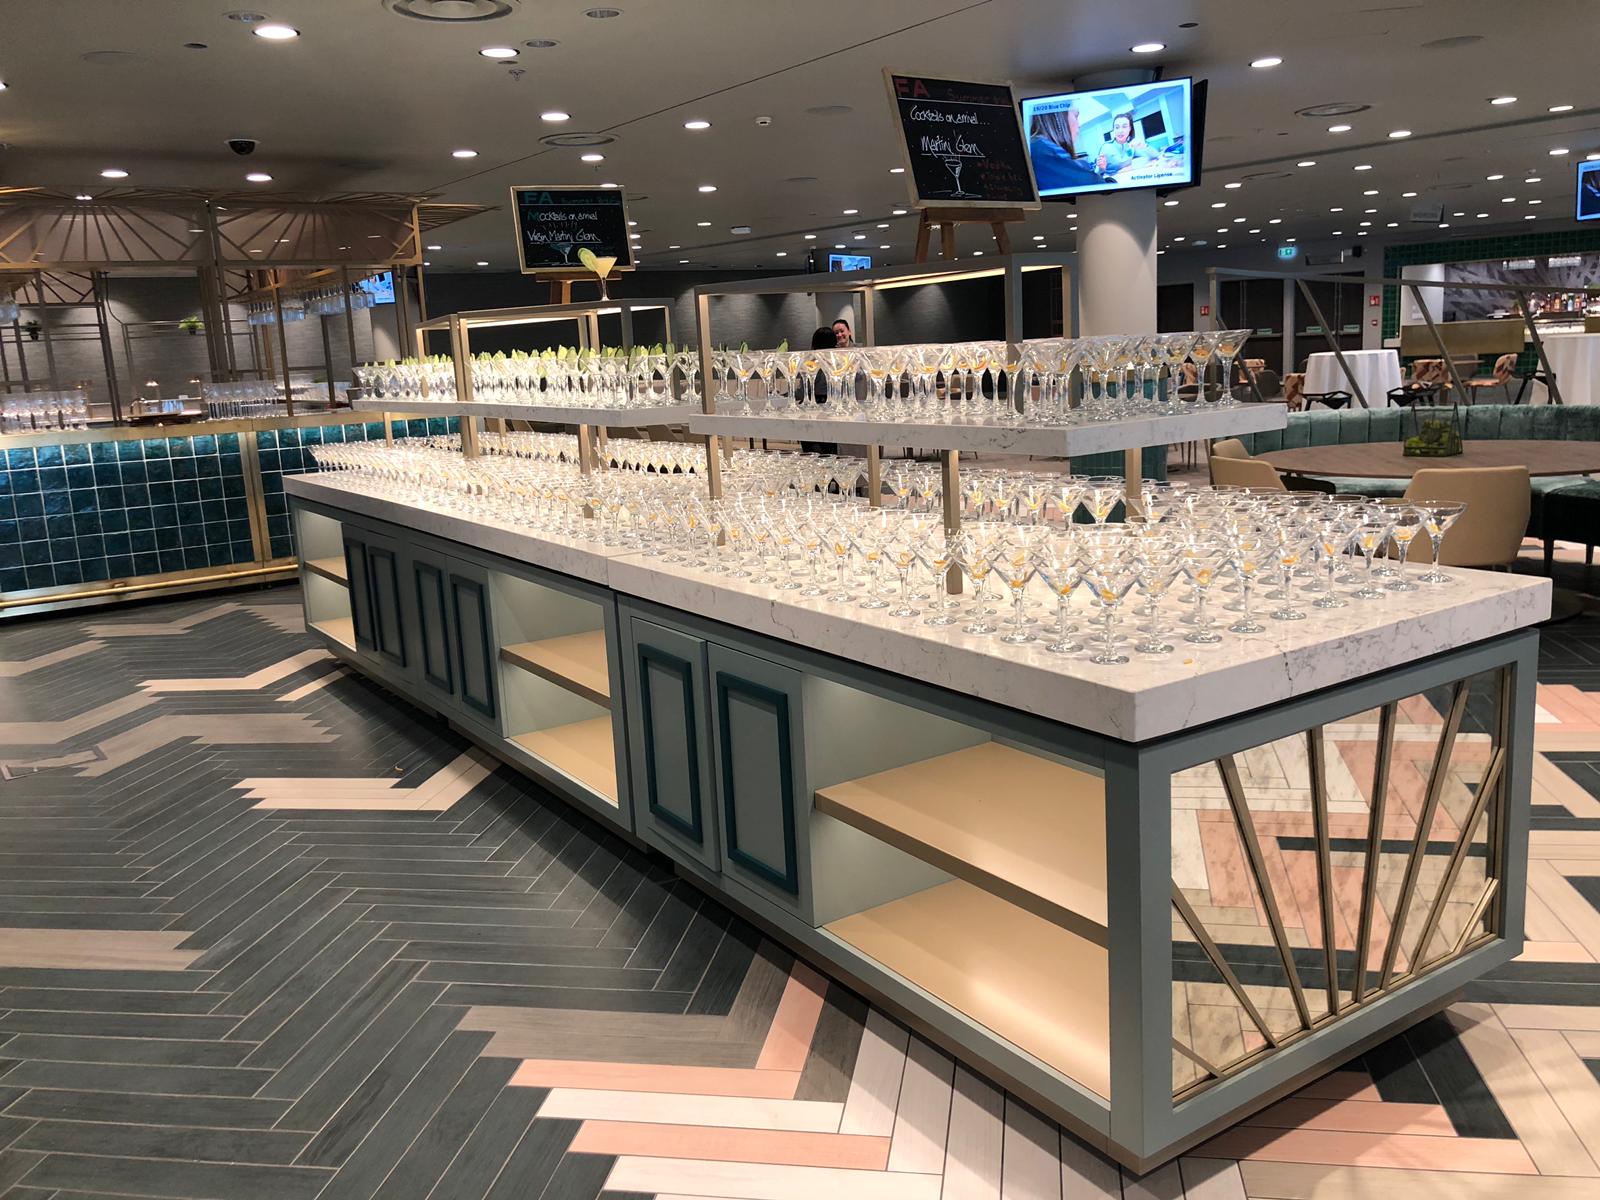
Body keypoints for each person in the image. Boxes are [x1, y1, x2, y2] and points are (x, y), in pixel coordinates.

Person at [1027, 106, 1107, 192]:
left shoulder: (1037, 145)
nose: (1079, 125)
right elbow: (1095, 185)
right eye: (1076, 116)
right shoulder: (1042, 151)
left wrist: (1099, 171)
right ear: (1058, 117)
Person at [1095, 112, 1159, 176]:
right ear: (1114, 129)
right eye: (1117, 127)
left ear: (1130, 129)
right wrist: (1101, 168)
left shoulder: (1131, 145)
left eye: (1124, 127)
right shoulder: (1106, 147)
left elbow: (1156, 156)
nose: (1120, 131)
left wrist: (1144, 146)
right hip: (1111, 180)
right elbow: (1097, 174)